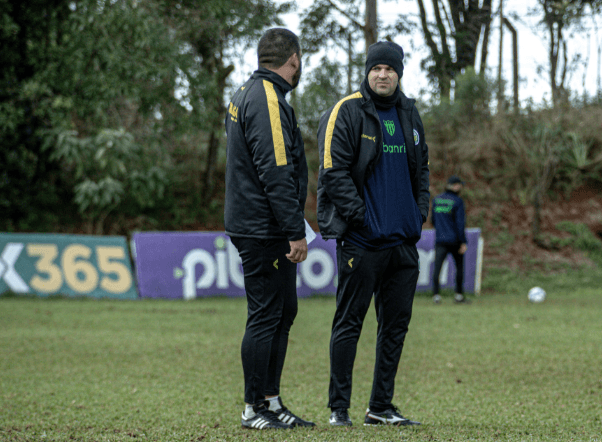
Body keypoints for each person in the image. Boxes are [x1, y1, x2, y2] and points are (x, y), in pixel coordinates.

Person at [316, 41, 429, 427]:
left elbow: (423, 168)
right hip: (362, 243)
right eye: (376, 68)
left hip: (403, 244)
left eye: (390, 69)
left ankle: (380, 406)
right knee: (349, 323)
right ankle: (338, 409)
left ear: (399, 73)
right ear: (367, 72)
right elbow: (333, 171)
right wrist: (361, 218)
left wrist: (420, 213)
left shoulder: (409, 113)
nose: (383, 74)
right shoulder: (347, 111)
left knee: (395, 328)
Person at [224, 28, 315, 430]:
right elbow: (275, 169)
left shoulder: (248, 93)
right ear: (293, 59)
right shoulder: (266, 99)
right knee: (266, 314)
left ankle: (271, 401)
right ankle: (253, 409)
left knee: (283, 311)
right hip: (265, 228)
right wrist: (295, 230)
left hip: (262, 223)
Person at [431, 175, 469, 304]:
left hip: (440, 240)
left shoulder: (436, 200)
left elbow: (433, 220)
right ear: (455, 186)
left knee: (437, 267)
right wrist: (463, 241)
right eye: (460, 185)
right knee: (459, 267)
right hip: (454, 240)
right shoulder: (457, 201)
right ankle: (458, 295)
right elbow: (460, 223)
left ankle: (436, 295)